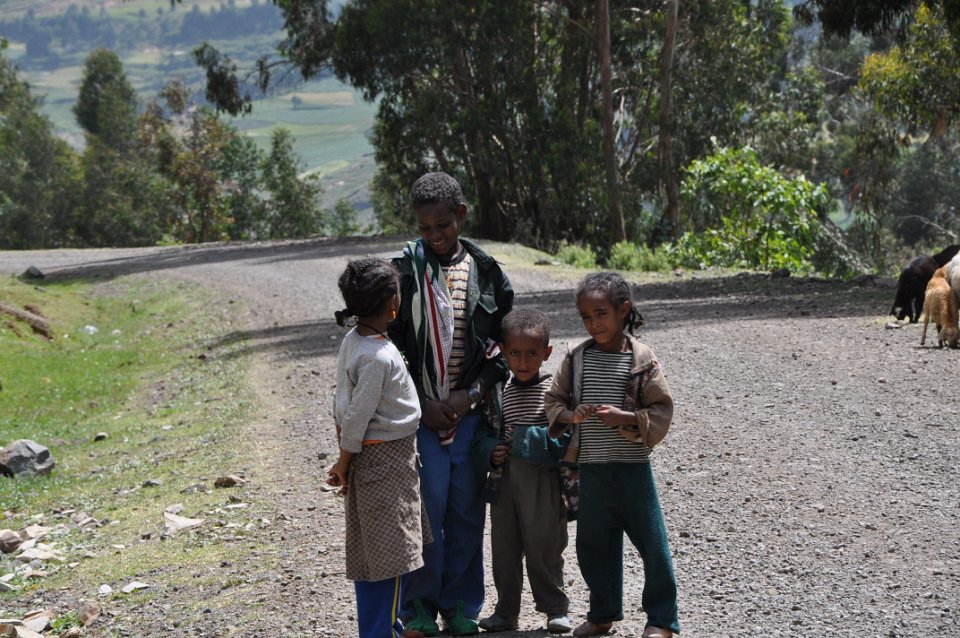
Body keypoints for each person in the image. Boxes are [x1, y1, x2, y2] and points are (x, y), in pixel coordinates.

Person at [388, 172, 514, 636]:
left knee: (465, 511)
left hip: (470, 418)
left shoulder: (489, 275)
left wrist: (470, 395)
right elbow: (390, 348)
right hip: (420, 417)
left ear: (461, 215)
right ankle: (418, 607)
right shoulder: (404, 274)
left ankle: (462, 605)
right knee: (425, 510)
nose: (435, 236)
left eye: (443, 225)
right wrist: (422, 403)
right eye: (425, 228)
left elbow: (503, 351)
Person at [543, 272, 679, 638]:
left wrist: (627, 418)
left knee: (653, 545)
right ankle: (602, 614)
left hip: (633, 469)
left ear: (623, 310)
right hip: (591, 470)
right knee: (593, 546)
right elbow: (553, 401)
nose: (593, 323)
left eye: (601, 313)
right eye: (586, 317)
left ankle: (662, 620)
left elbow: (662, 409)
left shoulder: (641, 358)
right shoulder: (577, 358)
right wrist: (570, 416)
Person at [327, 258, 430, 638]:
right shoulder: (378, 356)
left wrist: (345, 454)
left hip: (371, 461)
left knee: (373, 553)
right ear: (392, 302)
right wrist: (343, 462)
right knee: (390, 557)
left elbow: (341, 403)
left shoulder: (355, 341)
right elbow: (357, 416)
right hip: (386, 464)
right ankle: (381, 631)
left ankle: (386, 626)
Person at [472, 308, 573, 634]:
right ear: (503, 351)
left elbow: (566, 437)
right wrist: (491, 451)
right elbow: (483, 431)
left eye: (532, 353)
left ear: (547, 352)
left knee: (545, 547)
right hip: (504, 482)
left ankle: (555, 608)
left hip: (542, 481)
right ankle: (506, 612)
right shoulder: (499, 391)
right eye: (515, 353)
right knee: (504, 548)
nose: (523, 361)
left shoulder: (554, 392)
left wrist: (525, 441)